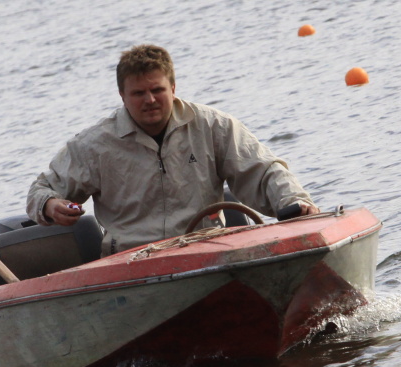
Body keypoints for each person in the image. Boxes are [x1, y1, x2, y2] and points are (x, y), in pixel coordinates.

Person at [26, 44, 319, 256]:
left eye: (157, 90)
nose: (150, 100)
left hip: (209, 251)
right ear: (122, 96)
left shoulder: (213, 126)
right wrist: (50, 205)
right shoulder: (92, 145)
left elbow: (264, 171)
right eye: (138, 93)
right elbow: (40, 191)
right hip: (131, 263)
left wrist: (294, 200)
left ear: (173, 88)